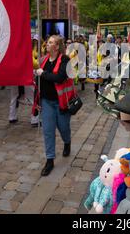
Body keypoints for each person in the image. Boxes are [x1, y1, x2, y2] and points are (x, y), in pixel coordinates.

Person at [35, 35, 72, 176]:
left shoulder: (65, 60)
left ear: (57, 46)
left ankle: (67, 142)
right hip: (47, 102)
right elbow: (38, 83)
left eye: (50, 43)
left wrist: (43, 73)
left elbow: (59, 78)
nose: (47, 44)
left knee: (63, 128)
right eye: (47, 42)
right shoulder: (43, 60)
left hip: (62, 102)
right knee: (48, 131)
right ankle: (49, 160)